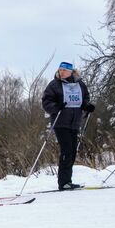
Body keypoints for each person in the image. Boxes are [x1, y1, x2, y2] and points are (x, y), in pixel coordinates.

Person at [42, 62, 94, 190]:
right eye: (60, 70)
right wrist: (56, 107)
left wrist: (87, 106)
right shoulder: (54, 85)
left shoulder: (80, 84)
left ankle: (68, 180)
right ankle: (63, 182)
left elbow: (84, 98)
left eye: (64, 70)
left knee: (72, 151)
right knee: (66, 150)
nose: (61, 72)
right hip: (60, 122)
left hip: (75, 122)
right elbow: (46, 102)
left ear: (71, 71)